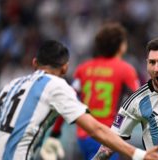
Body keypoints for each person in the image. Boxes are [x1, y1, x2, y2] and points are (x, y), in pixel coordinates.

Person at [0, 40, 158, 160]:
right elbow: (95, 129)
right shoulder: (56, 85)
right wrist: (139, 154)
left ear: (34, 63)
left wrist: (51, 137)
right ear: (65, 67)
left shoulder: (10, 86)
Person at [40, 22, 140, 160]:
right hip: (108, 136)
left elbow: (67, 101)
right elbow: (140, 102)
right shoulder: (126, 70)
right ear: (121, 46)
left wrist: (55, 132)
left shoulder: (83, 69)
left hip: (84, 136)